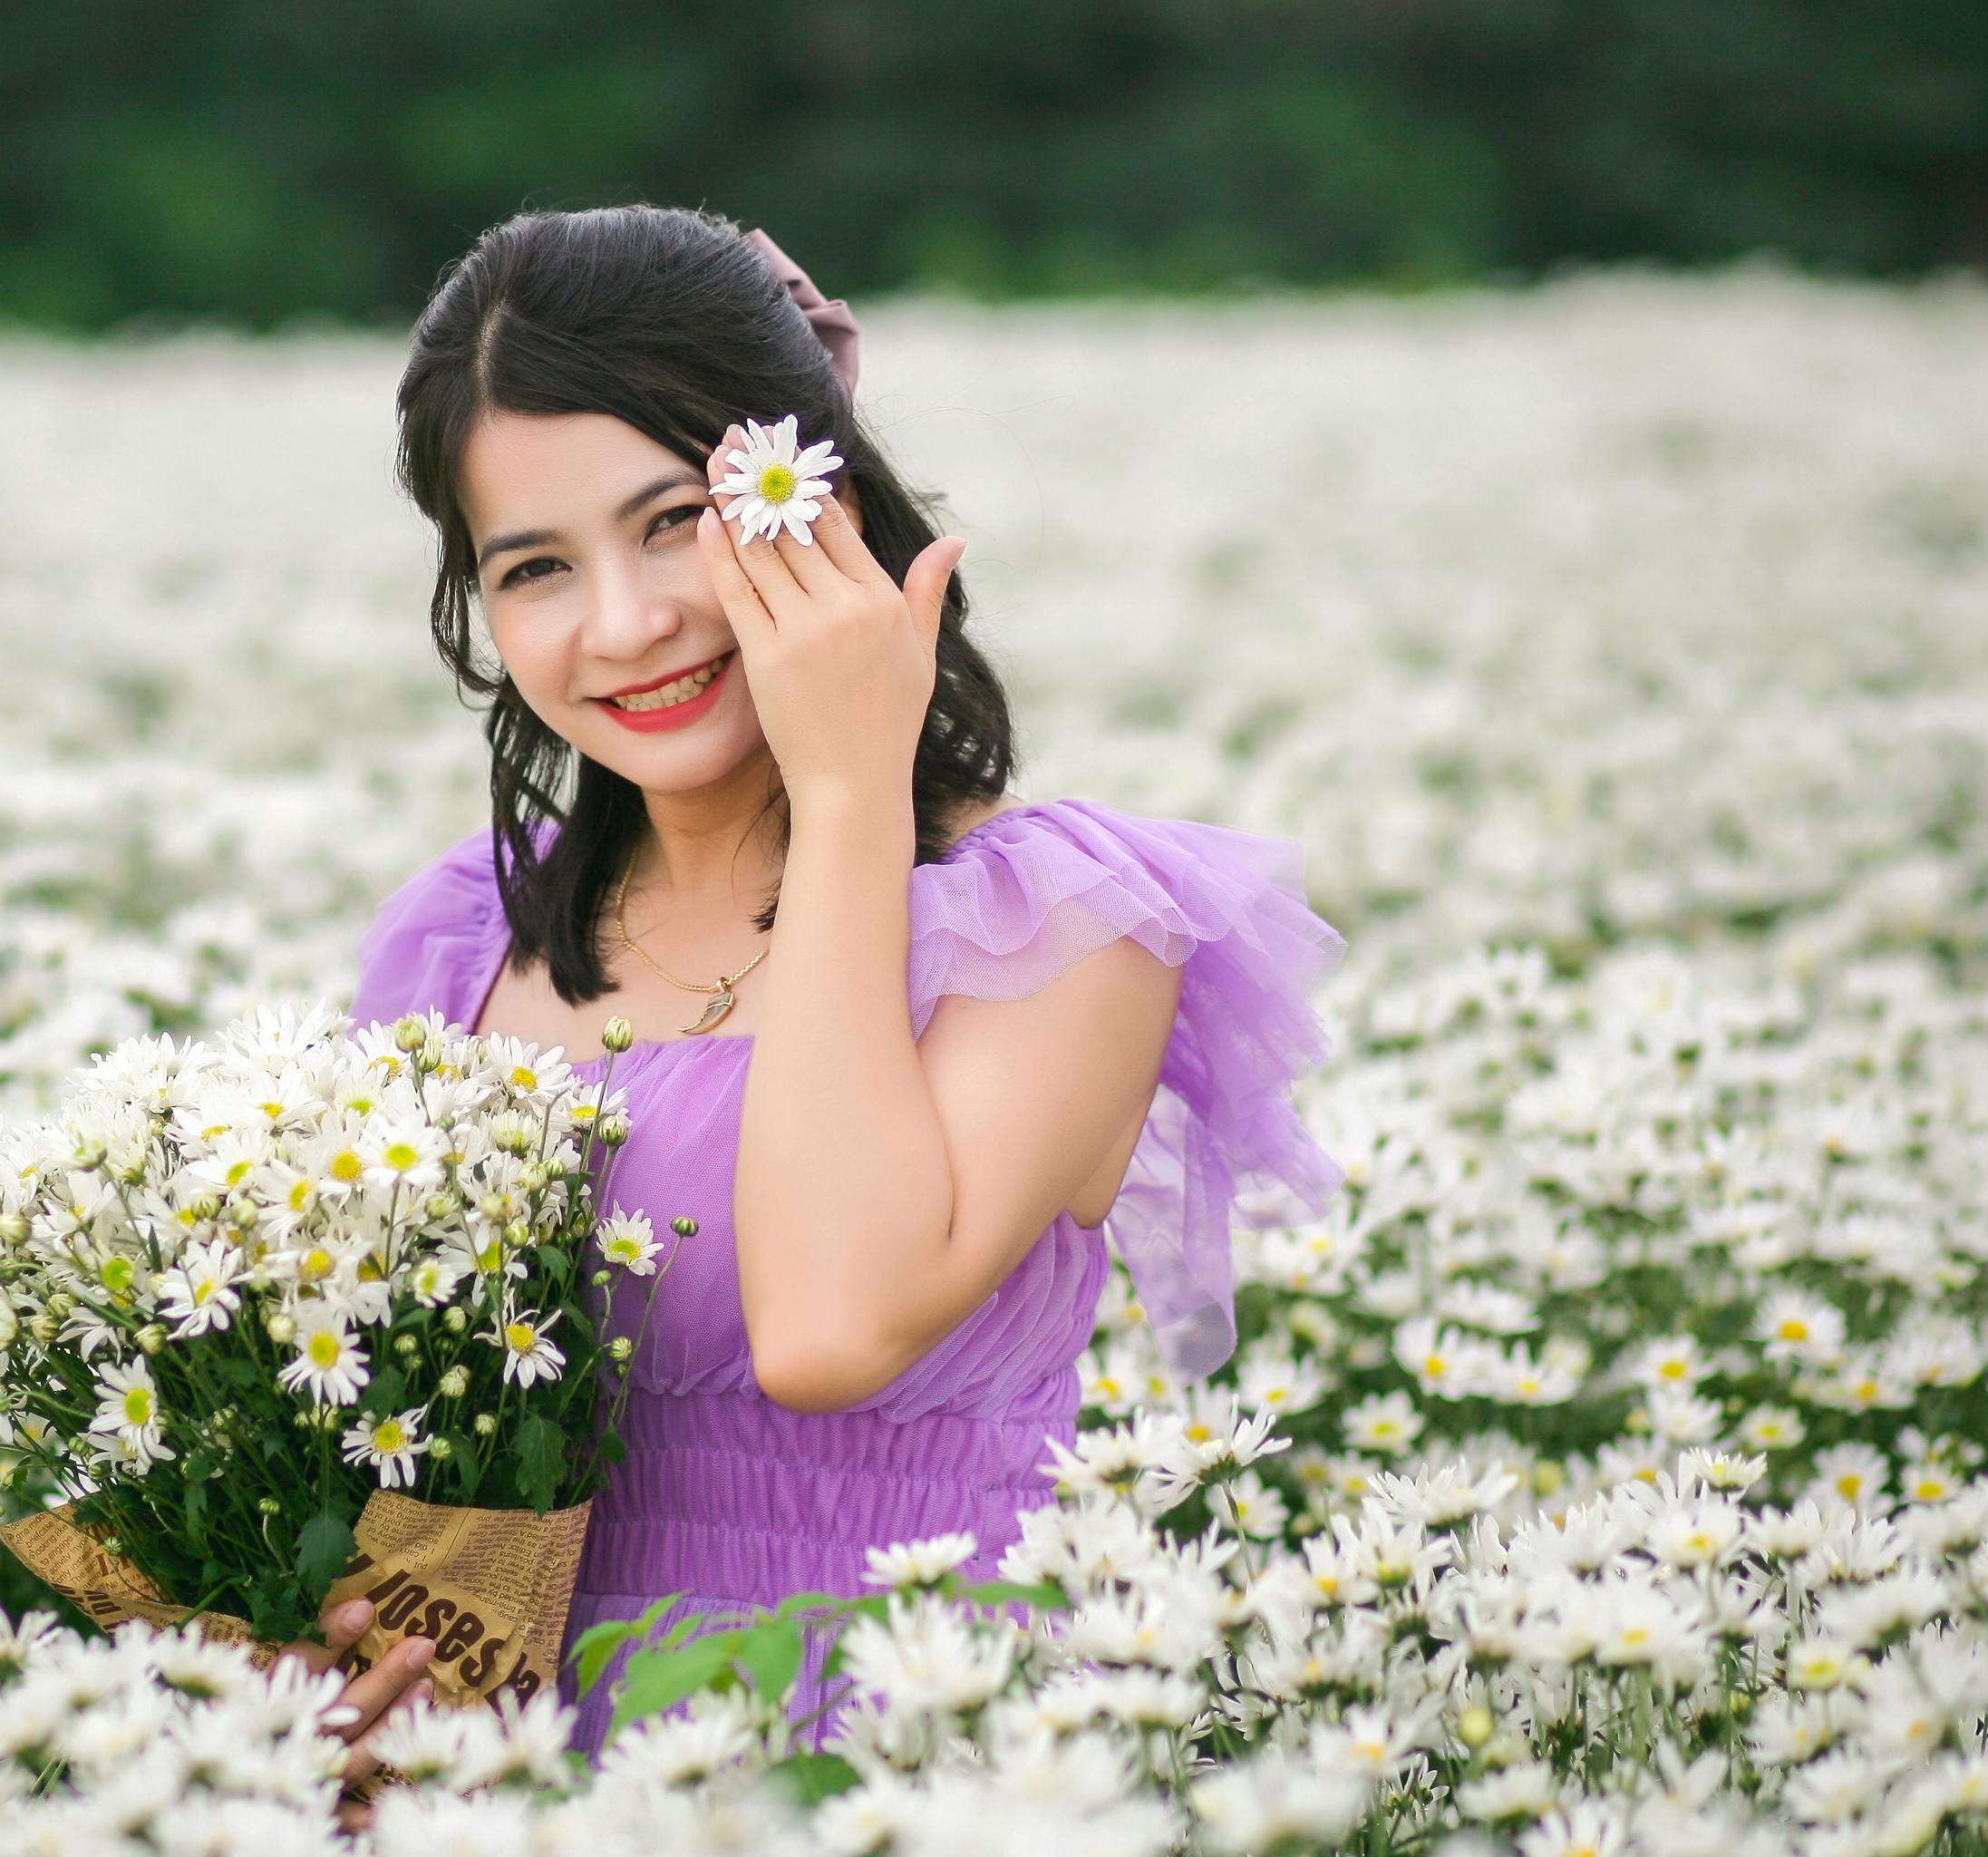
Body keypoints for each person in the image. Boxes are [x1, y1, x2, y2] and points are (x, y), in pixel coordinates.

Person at [300, 203, 1347, 1807]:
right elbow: (382, 1433)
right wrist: (337, 1635)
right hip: (524, 1785)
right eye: (533, 569)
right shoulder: (464, 944)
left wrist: (853, 783)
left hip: (899, 1761)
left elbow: (827, 1329)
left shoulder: (1059, 929)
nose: (625, 624)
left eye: (673, 524)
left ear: (815, 502)